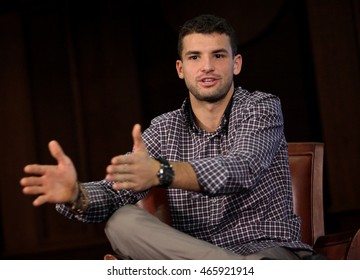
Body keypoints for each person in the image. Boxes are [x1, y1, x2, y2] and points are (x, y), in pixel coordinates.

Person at [20, 14, 315, 260]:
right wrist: (76, 195)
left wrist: (162, 172)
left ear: (236, 64)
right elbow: (115, 191)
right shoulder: (163, 129)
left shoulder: (261, 107)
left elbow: (241, 168)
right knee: (122, 221)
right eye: (195, 57)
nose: (207, 66)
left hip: (266, 252)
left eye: (218, 55)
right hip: (192, 258)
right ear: (181, 68)